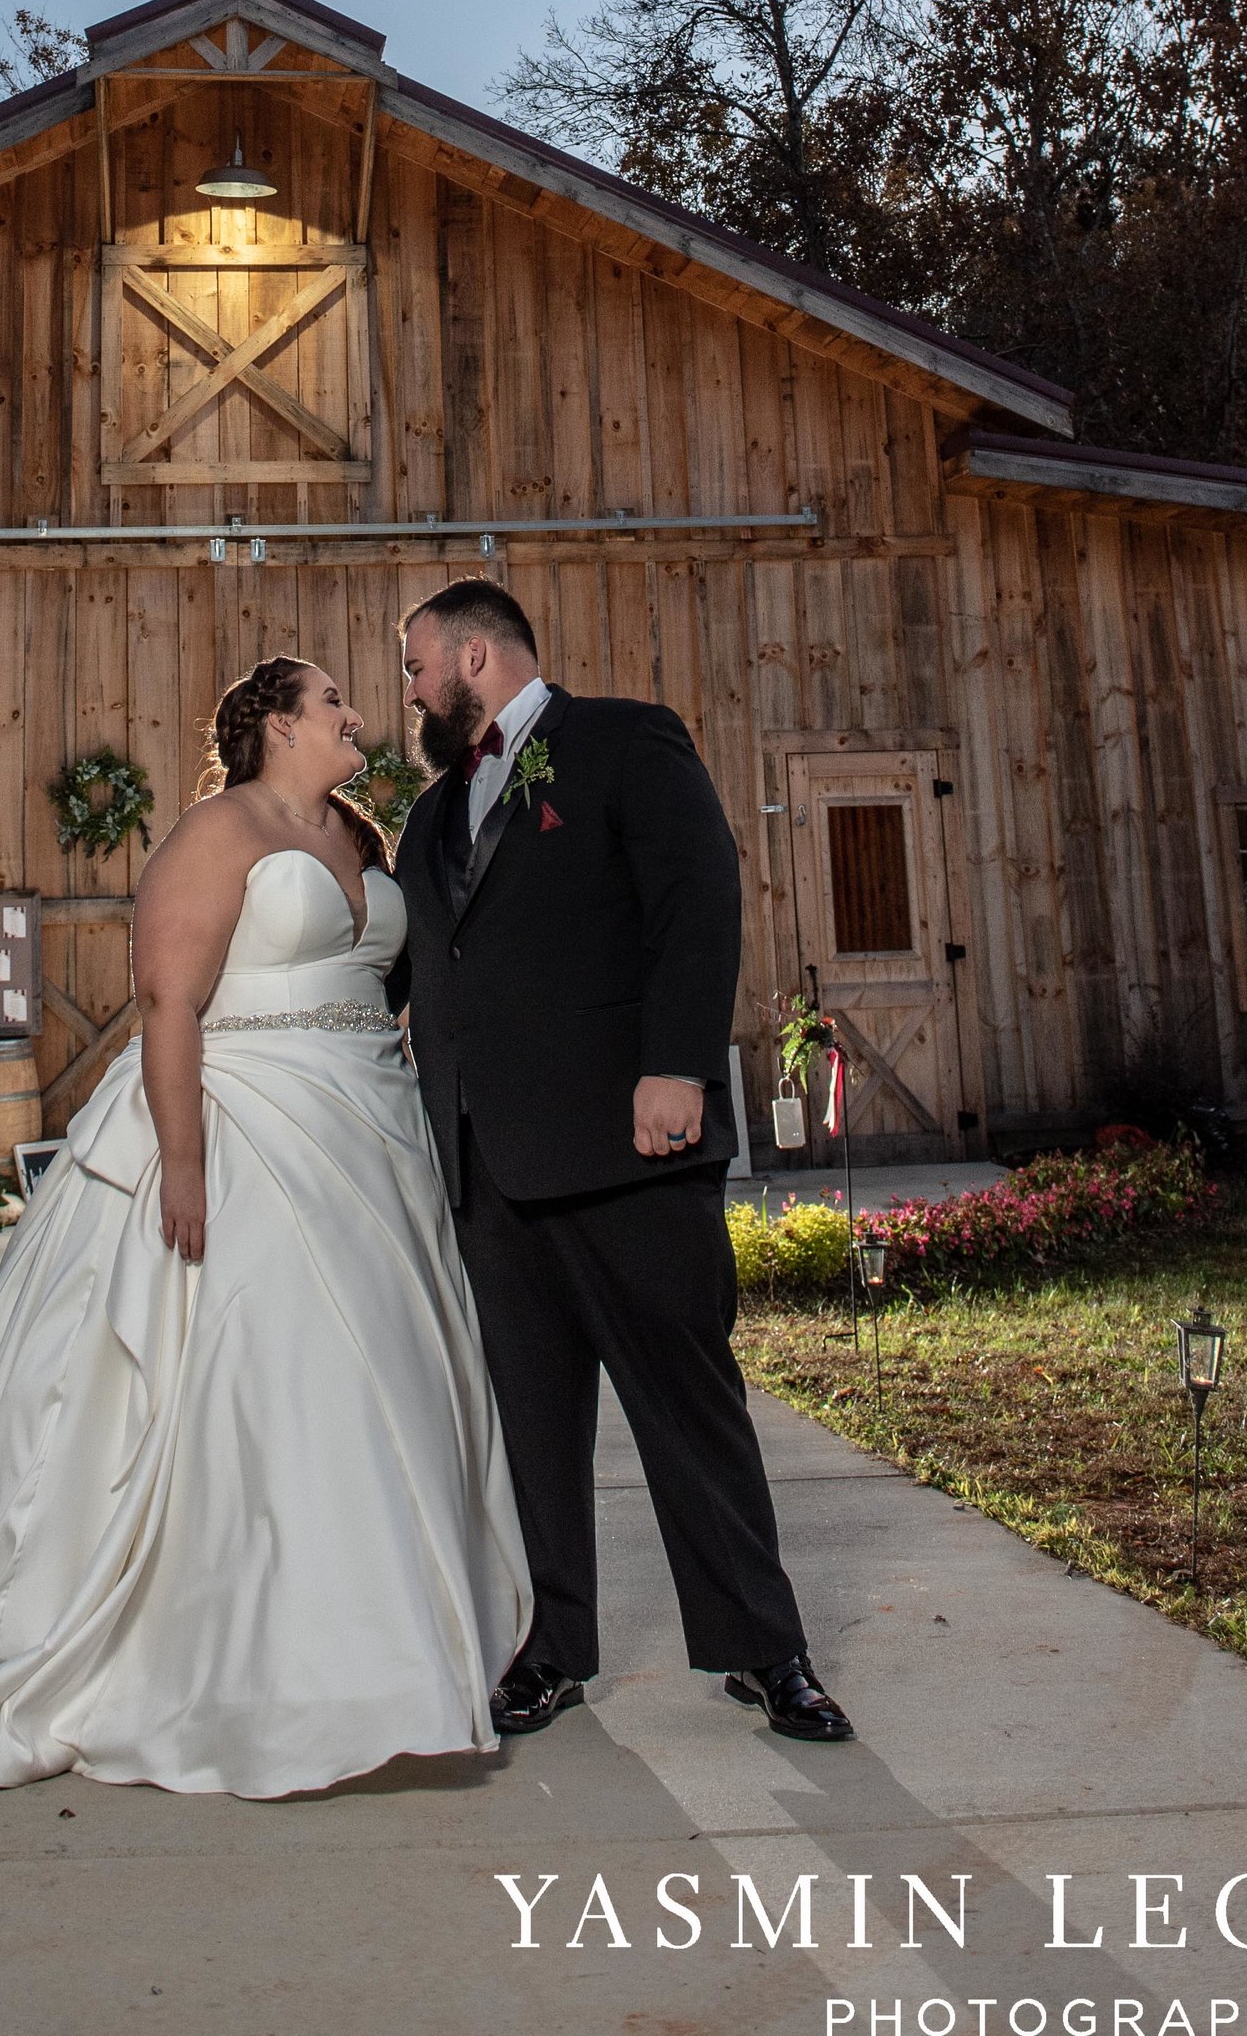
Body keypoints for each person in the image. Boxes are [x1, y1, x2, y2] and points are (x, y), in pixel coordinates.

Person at [0, 656, 529, 1798]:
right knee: (266, 1381)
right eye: (333, 702)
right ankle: (230, 1669)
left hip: (365, 1134)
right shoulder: (213, 833)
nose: (355, 718)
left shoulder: (363, 842)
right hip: (242, 1126)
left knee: (381, 1386)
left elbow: (396, 978)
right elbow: (168, 1000)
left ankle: (389, 1659)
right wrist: (183, 1164)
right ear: (278, 724)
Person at [392, 578, 852, 1744]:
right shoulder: (430, 817)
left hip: (628, 1148)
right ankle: (553, 1647)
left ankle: (766, 1650)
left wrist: (678, 1068)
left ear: (478, 657)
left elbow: (697, 902)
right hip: (488, 1175)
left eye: (416, 669)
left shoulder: (622, 740)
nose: (410, 694)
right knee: (531, 1430)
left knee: (687, 1410)